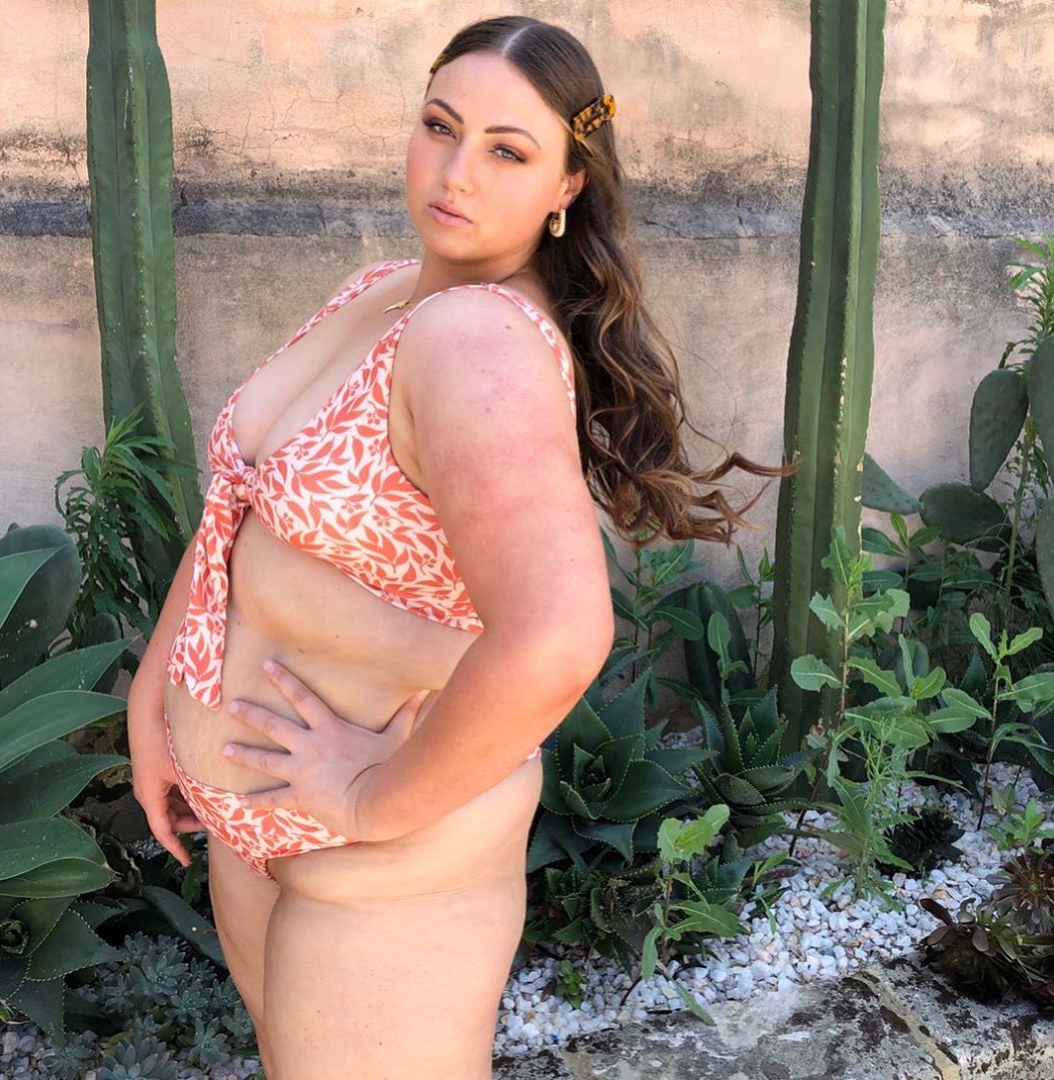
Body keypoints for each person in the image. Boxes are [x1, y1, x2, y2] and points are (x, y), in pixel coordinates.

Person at [126, 15, 787, 1080]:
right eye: (440, 126)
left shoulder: (474, 339)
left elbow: (559, 634)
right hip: (264, 820)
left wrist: (369, 800)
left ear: (568, 186)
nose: (456, 170)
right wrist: (158, 692)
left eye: (507, 151)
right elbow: (235, 517)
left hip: (384, 860)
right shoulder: (382, 290)